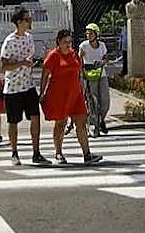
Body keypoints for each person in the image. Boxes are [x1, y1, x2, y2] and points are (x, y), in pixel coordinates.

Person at [40, 29, 104, 165]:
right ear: (58, 41)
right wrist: (42, 92)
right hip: (59, 94)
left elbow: (79, 72)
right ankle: (58, 152)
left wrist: (83, 88)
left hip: (76, 94)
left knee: (81, 122)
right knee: (61, 123)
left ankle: (87, 154)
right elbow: (45, 75)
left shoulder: (74, 54)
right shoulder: (53, 55)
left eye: (69, 42)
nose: (68, 45)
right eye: (65, 42)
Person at [0, 7, 49, 166]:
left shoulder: (29, 38)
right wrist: (21, 63)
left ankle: (36, 152)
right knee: (13, 121)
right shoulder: (9, 41)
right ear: (19, 22)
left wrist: (30, 63)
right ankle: (14, 152)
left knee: (35, 117)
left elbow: (29, 57)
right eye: (27, 19)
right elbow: (3, 66)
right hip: (13, 87)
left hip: (28, 85)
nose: (30, 22)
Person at [78, 23, 110, 135]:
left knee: (105, 101)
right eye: (87, 33)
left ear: (96, 34)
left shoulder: (102, 45)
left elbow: (106, 57)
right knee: (93, 100)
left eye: (91, 33)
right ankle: (93, 124)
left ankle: (101, 120)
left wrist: (103, 62)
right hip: (89, 75)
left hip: (102, 74)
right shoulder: (84, 46)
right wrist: (81, 72)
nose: (89, 35)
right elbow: (79, 59)